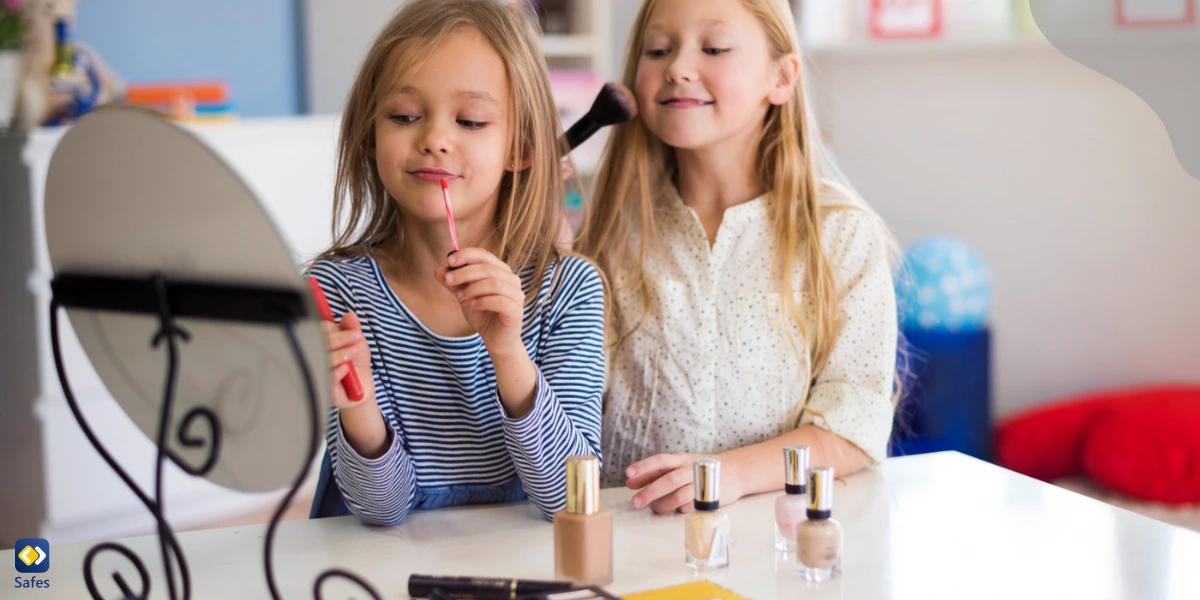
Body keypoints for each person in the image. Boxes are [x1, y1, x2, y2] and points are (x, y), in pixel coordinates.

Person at [577, 0, 899, 513]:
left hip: (774, 544)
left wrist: (732, 474)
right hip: (634, 538)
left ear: (782, 77)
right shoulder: (607, 235)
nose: (678, 67)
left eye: (714, 48)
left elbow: (852, 428)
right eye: (658, 50)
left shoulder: (839, 237)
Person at [310, 0, 605, 526]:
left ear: (522, 148)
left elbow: (569, 498)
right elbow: (381, 510)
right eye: (403, 117)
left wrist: (508, 351)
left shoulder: (570, 290)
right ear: (369, 139)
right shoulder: (341, 291)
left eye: (470, 120)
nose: (435, 139)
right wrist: (356, 400)